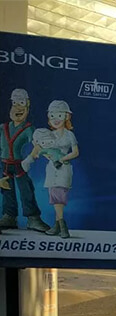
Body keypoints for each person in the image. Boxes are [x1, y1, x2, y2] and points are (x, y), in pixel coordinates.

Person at [23, 100, 77, 238]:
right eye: (52, 116)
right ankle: (58, 226)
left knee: (60, 197)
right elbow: (44, 149)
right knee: (54, 197)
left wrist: (62, 159)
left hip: (63, 168)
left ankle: (62, 226)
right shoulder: (47, 134)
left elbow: (75, 152)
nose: (56, 119)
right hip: (52, 169)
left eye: (59, 115)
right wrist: (46, 155)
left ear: (66, 116)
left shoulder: (69, 134)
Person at [0, 89, 49, 233]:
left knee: (26, 189)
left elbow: (38, 144)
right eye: (15, 103)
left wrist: (30, 158)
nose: (18, 108)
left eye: (22, 103)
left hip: (19, 164)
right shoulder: (3, 128)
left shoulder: (28, 129)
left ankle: (33, 219)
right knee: (6, 190)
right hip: (4, 164)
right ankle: (9, 216)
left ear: (27, 106)